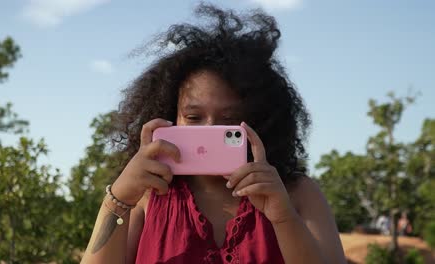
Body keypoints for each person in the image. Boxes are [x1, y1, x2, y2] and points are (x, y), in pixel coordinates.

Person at [81, 4, 346, 264]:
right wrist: (118, 198)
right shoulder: (146, 197)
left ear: (260, 122)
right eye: (194, 117)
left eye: (228, 120)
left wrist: (284, 217)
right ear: (169, 117)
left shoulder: (297, 193)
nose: (208, 129)